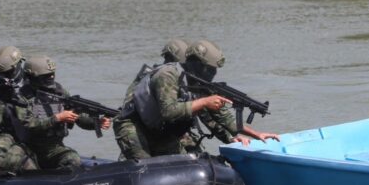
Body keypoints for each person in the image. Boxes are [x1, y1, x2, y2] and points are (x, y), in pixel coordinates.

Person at [113, 40, 277, 160]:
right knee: (145, 168)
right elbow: (168, 112)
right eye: (210, 69)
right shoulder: (168, 75)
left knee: (185, 163)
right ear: (198, 64)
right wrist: (205, 102)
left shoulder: (197, 84)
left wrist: (255, 135)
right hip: (133, 125)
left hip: (160, 129)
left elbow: (222, 119)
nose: (213, 73)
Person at [11, 56, 112, 170]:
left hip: (53, 149)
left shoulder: (60, 93)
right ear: (32, 77)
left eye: (52, 74)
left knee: (72, 160)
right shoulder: (21, 97)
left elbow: (78, 117)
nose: (51, 77)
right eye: (46, 76)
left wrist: (96, 123)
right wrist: (58, 118)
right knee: (27, 168)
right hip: (27, 148)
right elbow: (28, 124)